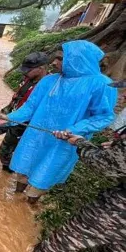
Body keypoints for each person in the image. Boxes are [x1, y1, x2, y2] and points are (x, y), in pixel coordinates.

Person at [0, 40, 117, 204]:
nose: (54, 63)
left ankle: (29, 204)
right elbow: (30, 107)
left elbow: (104, 116)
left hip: (64, 143)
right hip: (35, 137)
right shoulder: (49, 81)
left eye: (60, 58)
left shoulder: (102, 85)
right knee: (24, 168)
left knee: (43, 176)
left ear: (77, 59)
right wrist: (9, 118)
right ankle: (15, 202)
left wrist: (74, 129)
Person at [35, 80, 125, 252]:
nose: (124, 95)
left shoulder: (97, 85)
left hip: (118, 211)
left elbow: (107, 165)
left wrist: (81, 143)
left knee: (56, 246)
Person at [0, 52, 49, 173]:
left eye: (29, 69)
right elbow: (19, 96)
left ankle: (7, 170)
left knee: (5, 149)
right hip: (10, 111)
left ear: (41, 68)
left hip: (22, 123)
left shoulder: (48, 86)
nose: (25, 72)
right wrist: (5, 112)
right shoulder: (29, 77)